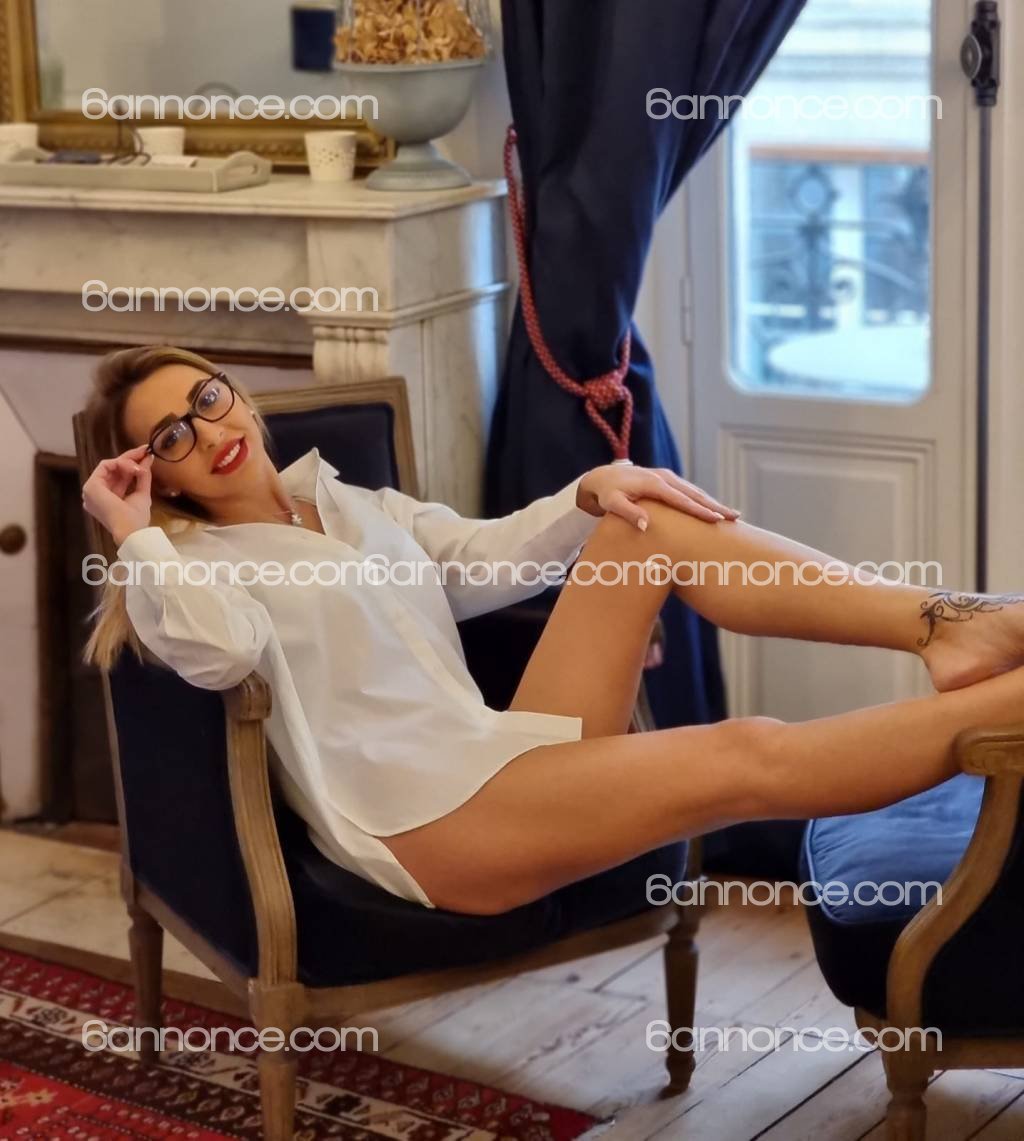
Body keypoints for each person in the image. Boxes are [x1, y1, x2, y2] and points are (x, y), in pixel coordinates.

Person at [81, 345, 1024, 915]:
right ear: (159, 474)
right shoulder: (189, 573)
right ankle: (1008, 698)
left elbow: (483, 558)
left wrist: (588, 491)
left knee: (644, 517)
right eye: (170, 437)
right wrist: (133, 533)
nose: (207, 432)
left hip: (501, 753)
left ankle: (948, 624)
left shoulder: (348, 500)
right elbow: (221, 655)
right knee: (746, 751)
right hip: (435, 824)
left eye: (207, 399)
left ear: (237, 394)